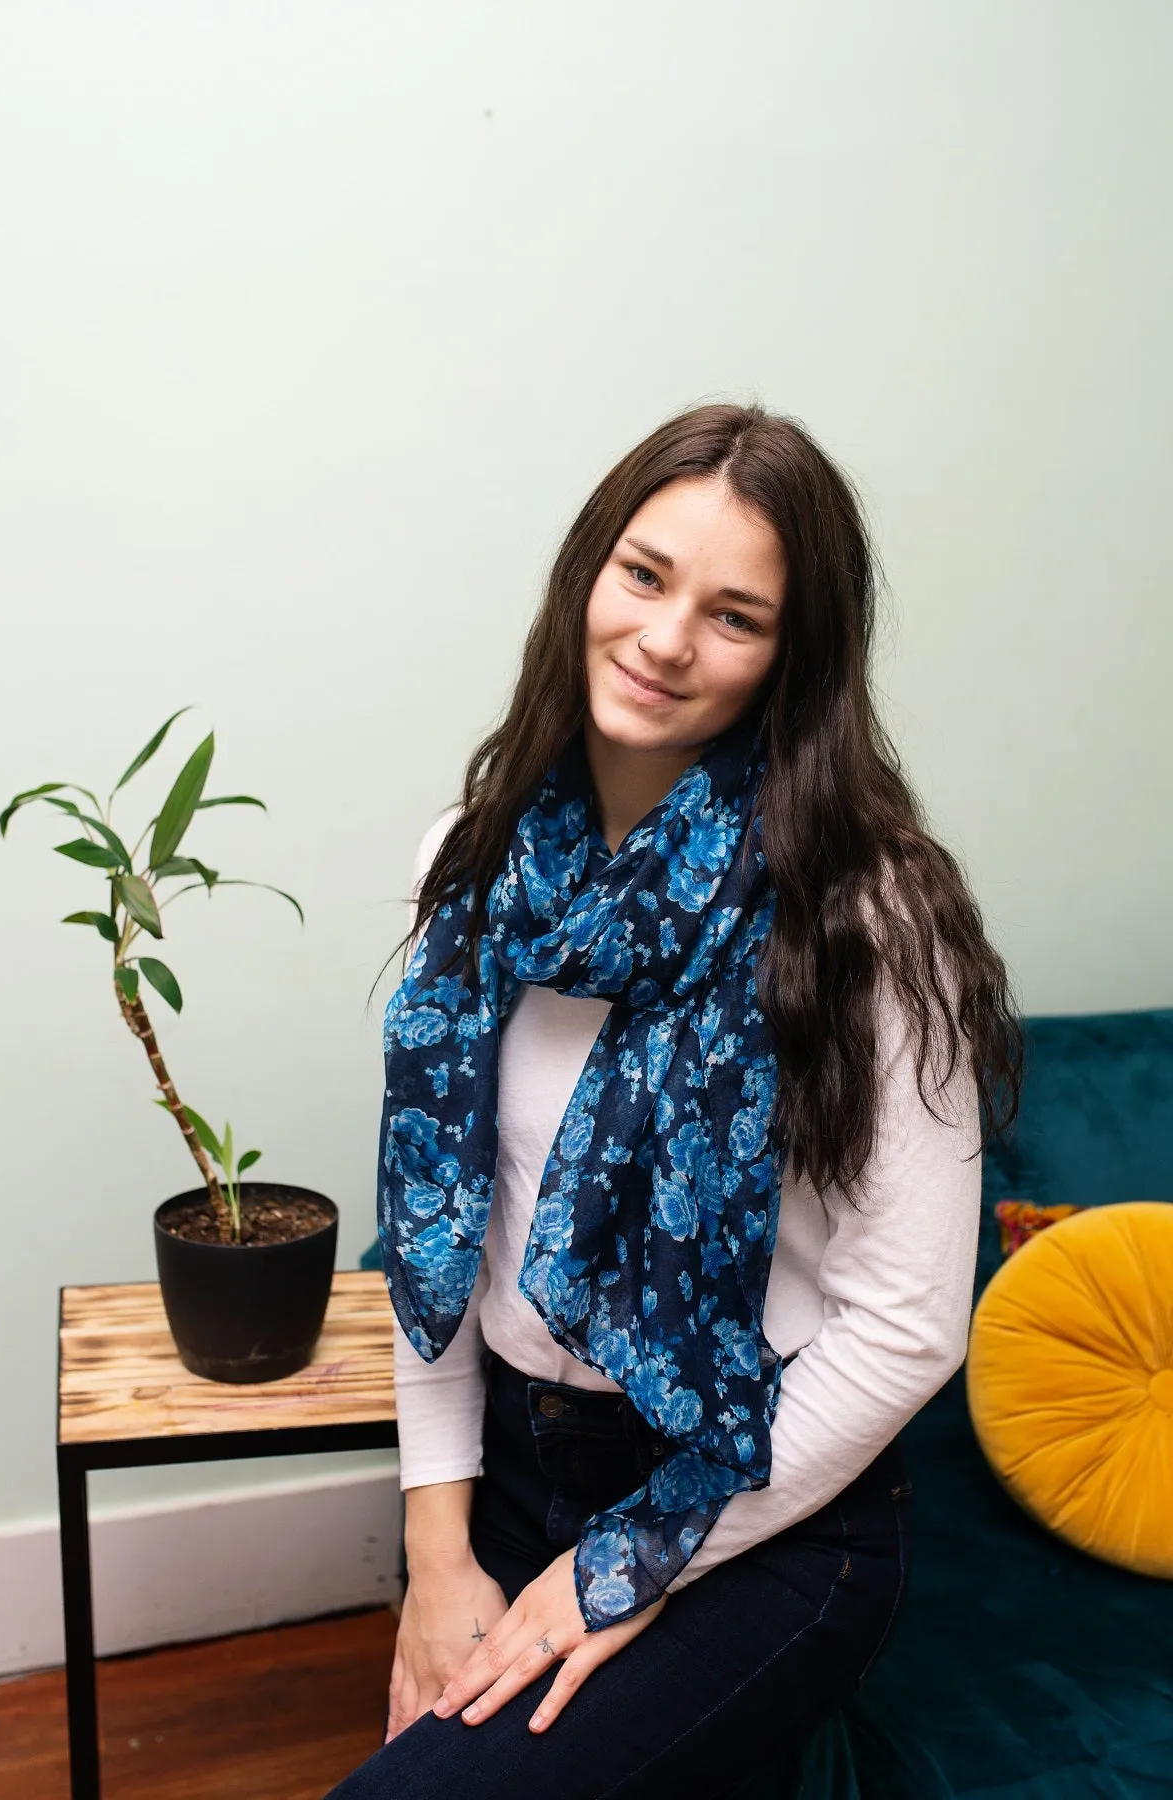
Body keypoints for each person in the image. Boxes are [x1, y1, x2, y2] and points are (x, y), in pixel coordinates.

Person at [326, 403, 1021, 1800]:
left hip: (763, 1514)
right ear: (590, 571)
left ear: (792, 658)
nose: (662, 639)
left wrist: (632, 1561)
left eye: (735, 614)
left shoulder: (872, 916)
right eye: (643, 575)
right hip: (509, 1476)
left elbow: (903, 1329)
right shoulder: (469, 869)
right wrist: (443, 1558)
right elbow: (441, 1241)